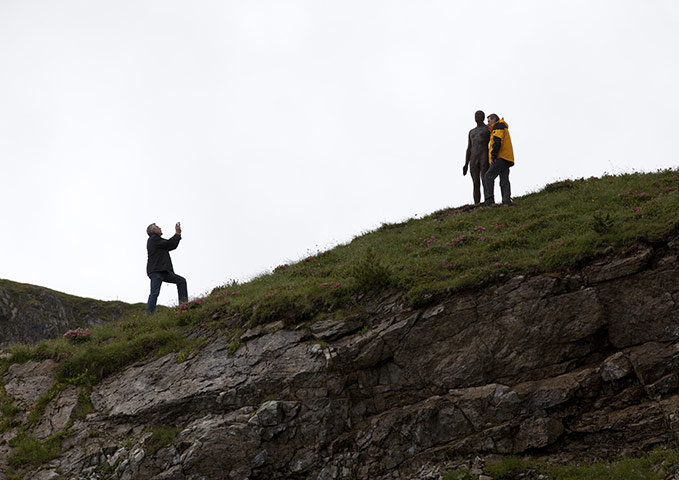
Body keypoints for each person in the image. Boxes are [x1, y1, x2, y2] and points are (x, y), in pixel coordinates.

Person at [145, 222, 188, 314]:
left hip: (163, 271)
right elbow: (169, 244)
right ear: (153, 230)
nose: (160, 228)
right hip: (157, 271)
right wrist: (177, 234)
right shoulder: (153, 239)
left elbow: (171, 245)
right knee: (154, 293)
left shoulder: (157, 240)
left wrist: (178, 234)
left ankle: (184, 306)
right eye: (157, 227)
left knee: (181, 281)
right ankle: (149, 314)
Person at [483, 113, 515, 205]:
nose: (488, 123)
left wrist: (494, 154)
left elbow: (497, 139)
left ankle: (489, 199)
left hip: (500, 156)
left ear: (494, 119)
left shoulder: (498, 126)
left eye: (489, 120)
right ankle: (506, 200)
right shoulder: (501, 126)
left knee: (488, 176)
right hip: (506, 156)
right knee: (504, 179)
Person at [463, 110, 491, 204]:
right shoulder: (471, 132)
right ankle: (477, 203)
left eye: (479, 115)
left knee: (485, 179)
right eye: (475, 115)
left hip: (484, 154)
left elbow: (494, 142)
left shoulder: (488, 129)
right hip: (473, 156)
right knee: (475, 182)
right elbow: (469, 148)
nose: (476, 117)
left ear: (483, 117)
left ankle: (488, 200)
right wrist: (466, 163)